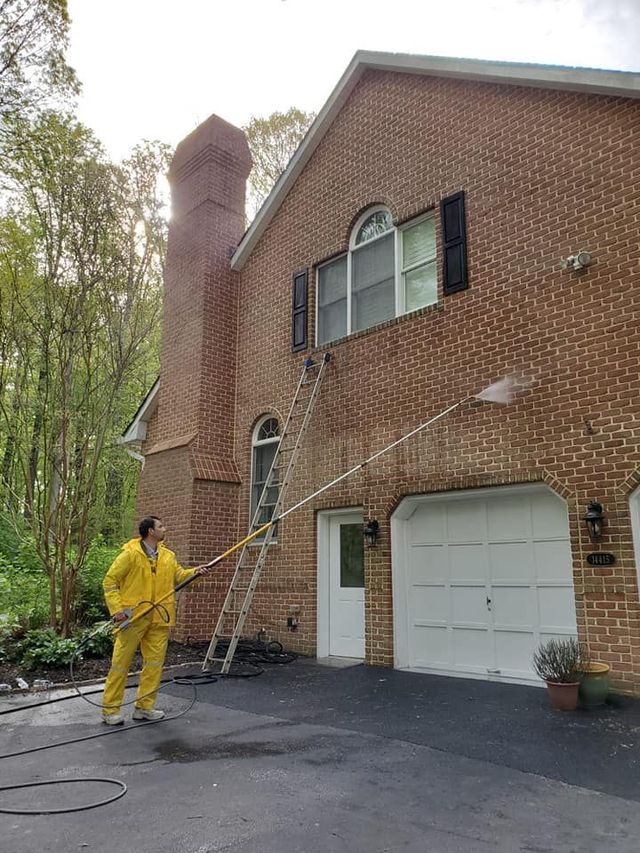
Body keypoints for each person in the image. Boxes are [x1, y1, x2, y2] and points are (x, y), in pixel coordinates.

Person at [101, 516, 210, 725]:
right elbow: (110, 581)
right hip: (134, 618)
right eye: (161, 526)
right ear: (150, 531)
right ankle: (110, 710)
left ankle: (144, 707)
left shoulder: (168, 556)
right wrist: (117, 610)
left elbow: (180, 577)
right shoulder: (130, 554)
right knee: (120, 665)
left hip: (160, 618)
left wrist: (196, 572)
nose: (164, 529)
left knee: (154, 665)